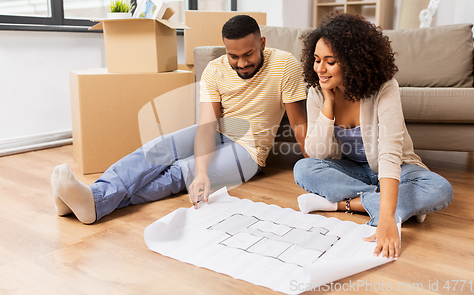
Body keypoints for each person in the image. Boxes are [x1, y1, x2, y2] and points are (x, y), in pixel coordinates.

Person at [51, 15, 308, 224]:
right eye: (233, 56)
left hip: (249, 151)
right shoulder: (215, 70)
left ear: (262, 43)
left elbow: (298, 123)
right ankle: (90, 198)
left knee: (180, 172)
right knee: (157, 149)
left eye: (248, 54)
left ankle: (91, 202)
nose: (241, 63)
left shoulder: (285, 65)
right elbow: (207, 125)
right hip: (218, 131)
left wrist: (314, 167)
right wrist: (202, 171)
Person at [293, 13, 453, 259]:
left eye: (330, 61)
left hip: (398, 167)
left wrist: (387, 219)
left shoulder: (385, 88)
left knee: (440, 189)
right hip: (352, 169)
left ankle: (342, 204)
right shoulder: (317, 92)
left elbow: (390, 152)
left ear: (353, 61)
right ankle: (391, 203)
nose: (320, 69)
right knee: (303, 168)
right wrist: (328, 103)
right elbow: (317, 153)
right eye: (316, 60)